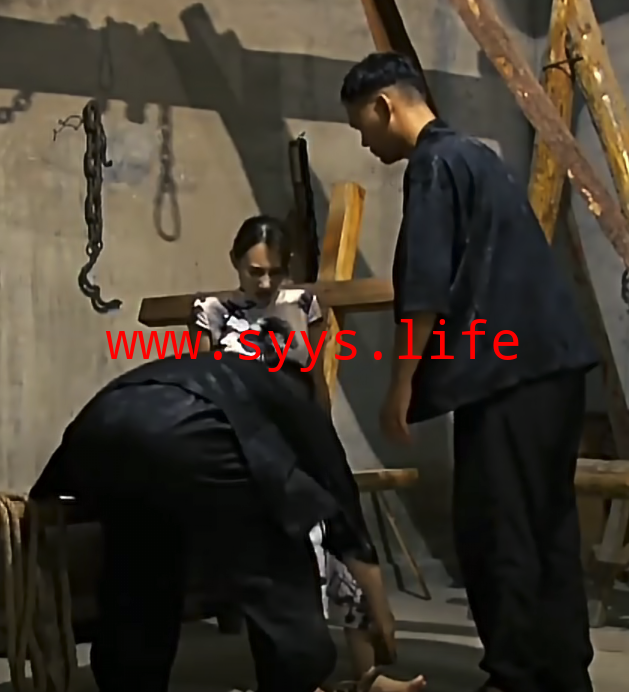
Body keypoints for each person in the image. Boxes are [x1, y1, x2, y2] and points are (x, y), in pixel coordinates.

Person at [340, 52, 598, 692]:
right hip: (556, 368)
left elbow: (426, 287)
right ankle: (564, 673)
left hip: (508, 376)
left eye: (361, 126)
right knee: (547, 525)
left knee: (497, 528)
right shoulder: (478, 157)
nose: (365, 142)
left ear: (383, 106)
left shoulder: (433, 164)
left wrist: (401, 384)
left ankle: (515, 675)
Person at [190, 214, 425, 692]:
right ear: (236, 262)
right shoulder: (212, 312)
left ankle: (367, 675)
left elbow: (316, 382)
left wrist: (323, 445)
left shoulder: (302, 305)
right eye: (255, 271)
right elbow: (199, 385)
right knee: (294, 552)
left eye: (274, 272)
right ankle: (299, 676)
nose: (264, 283)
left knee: (342, 539)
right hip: (249, 447)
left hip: (302, 435)